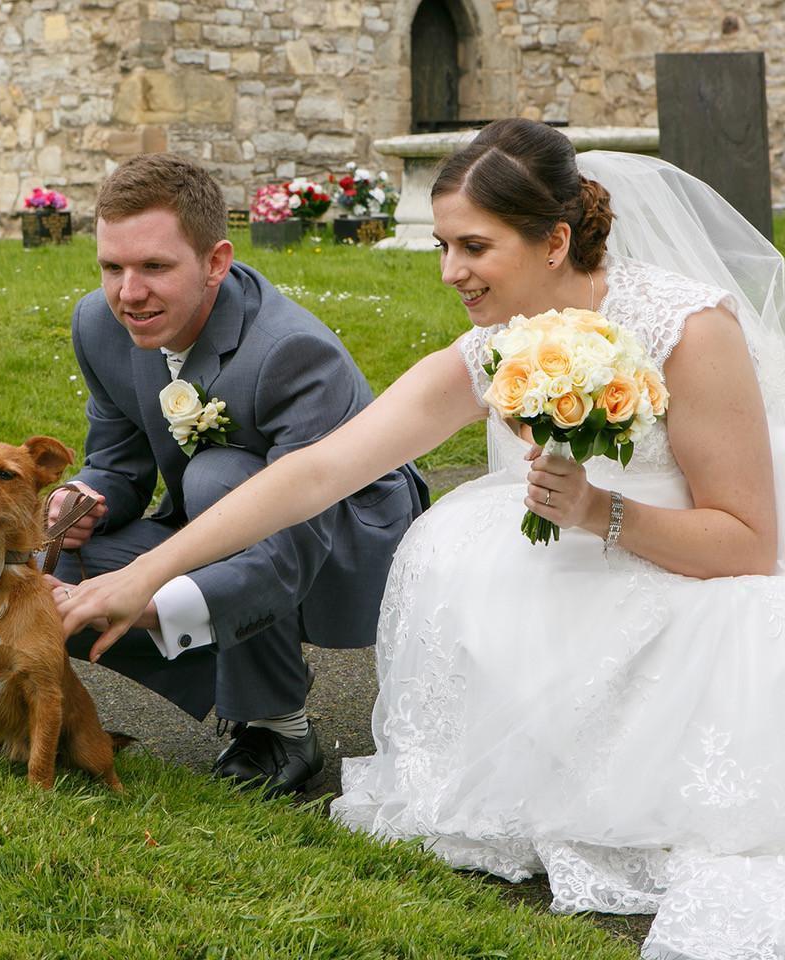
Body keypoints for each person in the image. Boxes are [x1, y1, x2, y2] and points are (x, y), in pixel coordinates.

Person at [55, 120, 785, 958]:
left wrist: (598, 514)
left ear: (554, 240)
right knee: (459, 553)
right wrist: (145, 573)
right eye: (442, 245)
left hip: (687, 583)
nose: (450, 272)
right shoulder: (493, 343)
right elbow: (317, 473)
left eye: (474, 246)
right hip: (557, 570)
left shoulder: (688, 331)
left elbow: (747, 545)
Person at [46, 153, 428, 798]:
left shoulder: (291, 352)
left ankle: (276, 723)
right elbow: (117, 462)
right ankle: (242, 673)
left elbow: (288, 541)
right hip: (222, 523)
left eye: (155, 267)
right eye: (113, 267)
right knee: (59, 579)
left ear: (217, 262)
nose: (128, 293)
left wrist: (148, 603)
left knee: (217, 477)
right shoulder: (99, 324)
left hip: (349, 540)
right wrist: (84, 500)